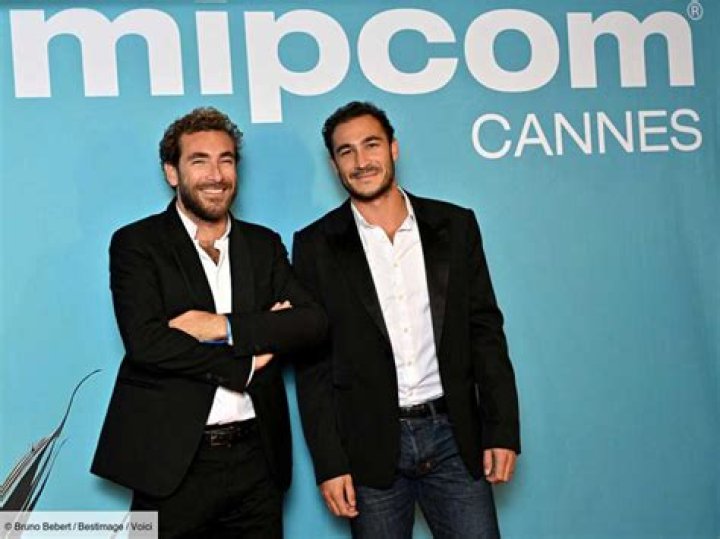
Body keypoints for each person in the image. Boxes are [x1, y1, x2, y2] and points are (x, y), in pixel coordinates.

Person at [91, 107, 327, 538]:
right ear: (172, 172)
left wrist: (221, 326)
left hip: (258, 462)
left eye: (226, 160)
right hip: (170, 463)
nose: (216, 175)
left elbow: (311, 323)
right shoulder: (137, 243)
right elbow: (147, 343)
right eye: (199, 161)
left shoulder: (263, 244)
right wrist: (246, 364)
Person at [292, 101, 520, 538]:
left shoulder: (455, 225)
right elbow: (312, 367)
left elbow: (485, 332)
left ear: (393, 148)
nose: (361, 161)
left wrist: (502, 429)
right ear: (334, 164)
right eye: (346, 151)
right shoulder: (315, 245)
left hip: (454, 436)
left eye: (371, 145)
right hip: (370, 446)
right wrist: (330, 464)